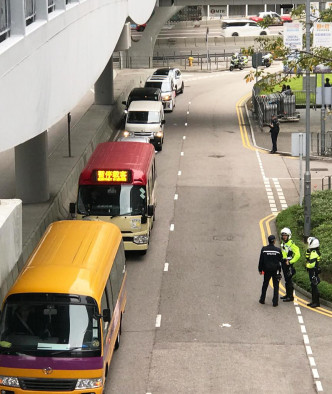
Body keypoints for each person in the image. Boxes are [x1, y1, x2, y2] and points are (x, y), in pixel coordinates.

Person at [258, 235, 283, 306]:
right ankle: (275, 302)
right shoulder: (278, 250)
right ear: (274, 241)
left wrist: (260, 269)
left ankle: (262, 299)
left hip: (267, 270)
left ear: (268, 241)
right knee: (276, 286)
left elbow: (261, 261)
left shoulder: (264, 249)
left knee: (265, 284)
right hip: (275, 270)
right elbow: (280, 260)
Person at [280, 227, 300, 302]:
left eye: (285, 235)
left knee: (289, 280)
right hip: (284, 263)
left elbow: (298, 254)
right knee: (286, 280)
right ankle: (287, 294)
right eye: (283, 235)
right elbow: (283, 253)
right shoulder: (283, 244)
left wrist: (291, 261)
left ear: (289, 236)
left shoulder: (291, 244)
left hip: (289, 265)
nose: (284, 237)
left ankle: (290, 297)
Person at [305, 237, 321, 308]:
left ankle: (316, 302)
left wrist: (306, 265)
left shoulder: (314, 253)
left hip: (313, 270)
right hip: (313, 270)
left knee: (314, 286)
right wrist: (308, 251)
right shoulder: (313, 251)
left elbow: (311, 264)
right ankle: (313, 301)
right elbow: (307, 257)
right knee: (313, 285)